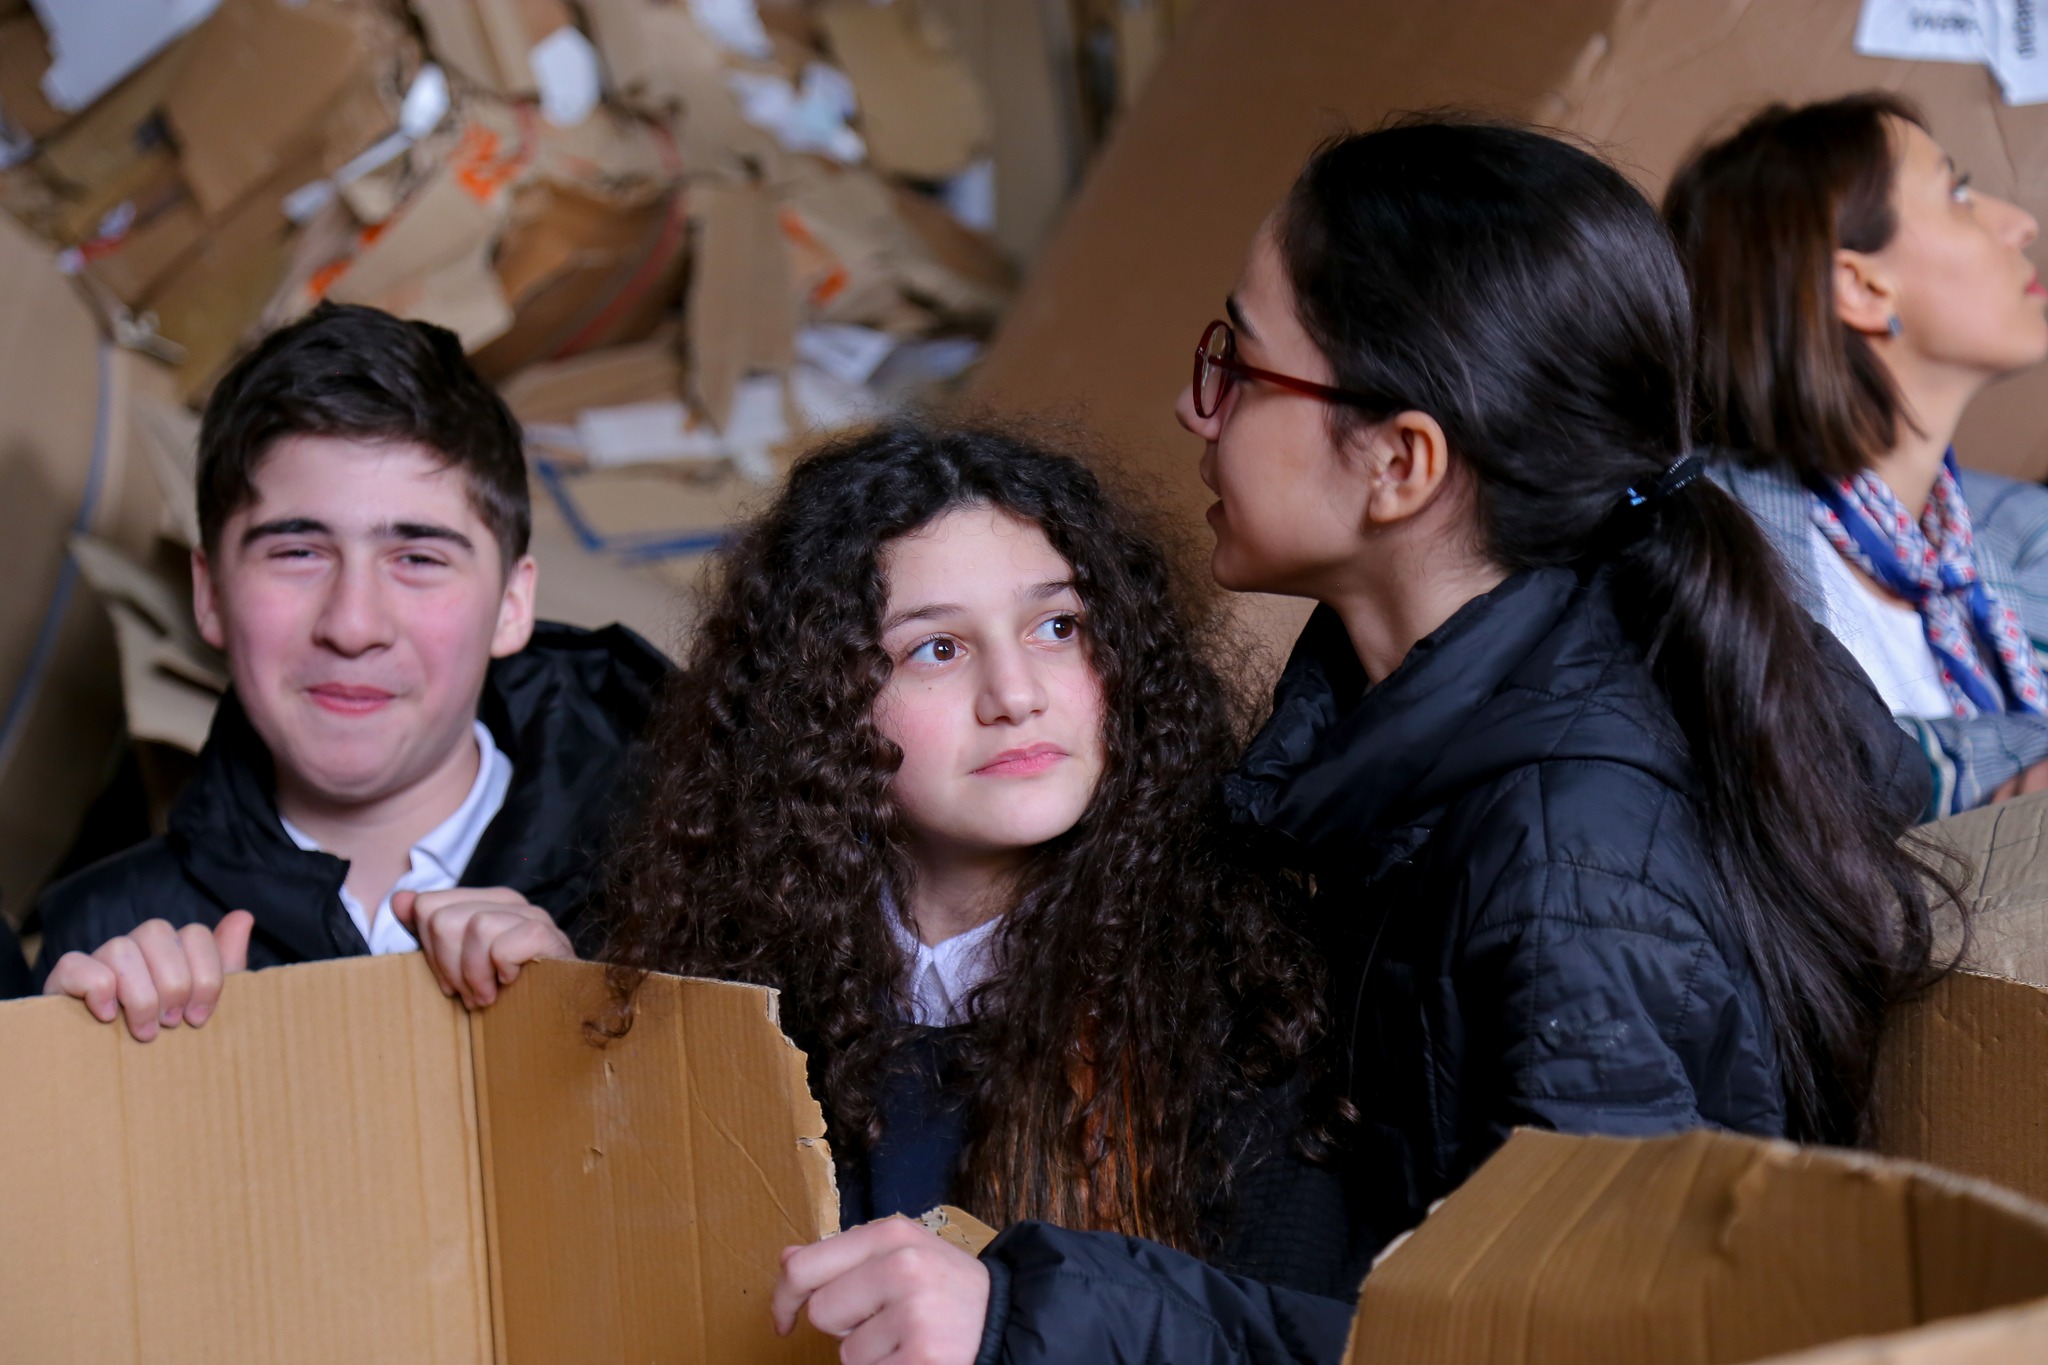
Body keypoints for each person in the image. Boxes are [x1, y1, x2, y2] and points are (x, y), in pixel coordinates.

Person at [414, 419, 1353, 1358]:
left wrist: (1013, 1323)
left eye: (1058, 626)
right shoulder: (718, 974)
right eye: (936, 648)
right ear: (821, 706)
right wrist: (563, 1036)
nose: (1015, 692)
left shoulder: (1252, 1002)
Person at [34, 302, 668, 1039]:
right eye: (298, 553)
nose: (353, 625)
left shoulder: (684, 880)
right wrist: (83, 1074)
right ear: (209, 594)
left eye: (418, 559)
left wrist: (591, 1031)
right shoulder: (105, 938)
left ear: (511, 605)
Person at [1665, 93, 2048, 816]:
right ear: (1861, 287)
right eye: (1958, 194)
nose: (2019, 224)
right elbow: (1807, 782)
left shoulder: (2012, 540)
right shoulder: (1706, 548)